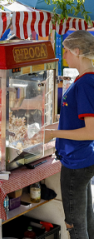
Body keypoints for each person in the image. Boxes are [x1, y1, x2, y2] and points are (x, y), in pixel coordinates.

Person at [44, 30, 94, 239]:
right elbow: (75, 119)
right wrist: (52, 127)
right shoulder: (84, 80)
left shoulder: (85, 84)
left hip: (77, 161)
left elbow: (90, 130)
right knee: (87, 218)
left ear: (77, 51)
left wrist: (54, 133)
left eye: (65, 51)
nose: (63, 55)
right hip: (83, 158)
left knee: (75, 223)